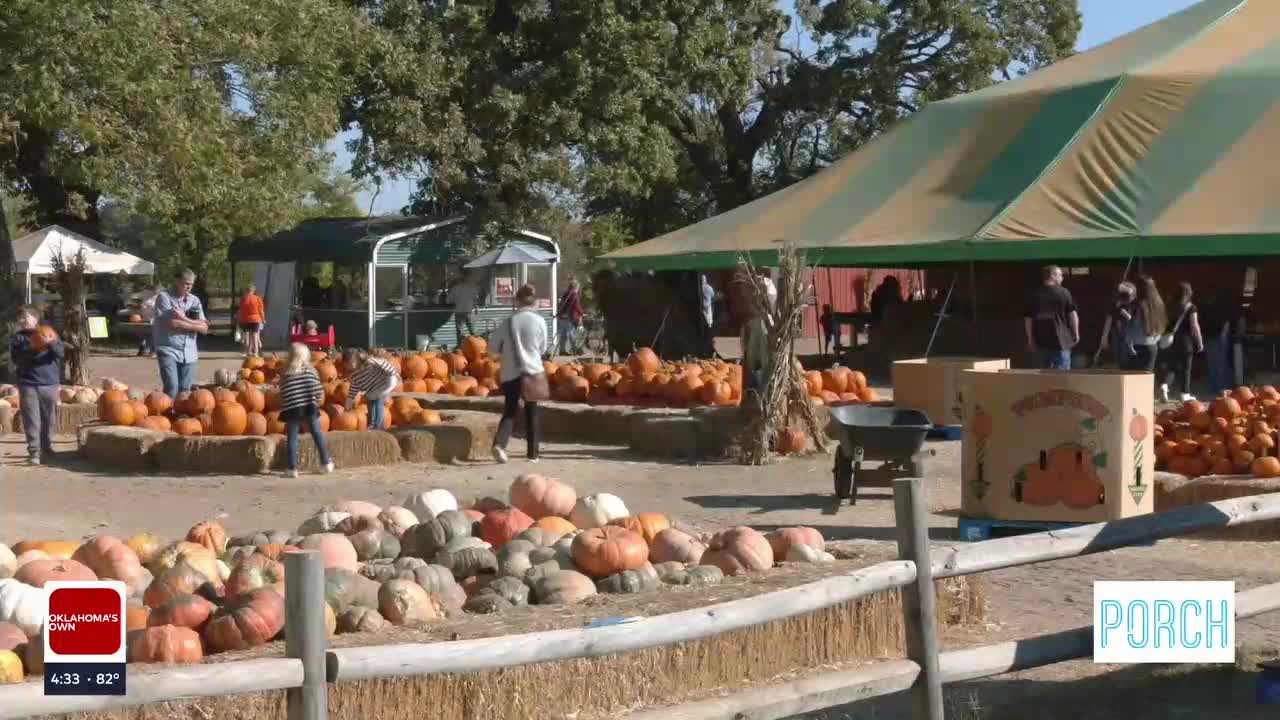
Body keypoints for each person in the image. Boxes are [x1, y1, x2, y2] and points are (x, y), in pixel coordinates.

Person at [490, 284, 549, 464]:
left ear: (517, 301)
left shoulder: (507, 322)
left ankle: (500, 444)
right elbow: (543, 348)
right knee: (532, 412)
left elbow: (492, 349)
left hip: (509, 372)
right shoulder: (540, 321)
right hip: (532, 372)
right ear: (534, 302)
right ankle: (533, 454)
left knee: (510, 410)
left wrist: (504, 354)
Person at [11, 305, 64, 465]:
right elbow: (17, 359)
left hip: (49, 383)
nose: (21, 321)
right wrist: (33, 347)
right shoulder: (18, 338)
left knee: (49, 419)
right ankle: (34, 451)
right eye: (20, 318)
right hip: (28, 384)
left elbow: (60, 354)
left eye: (24, 317)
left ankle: (46, 447)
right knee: (31, 419)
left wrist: (51, 344)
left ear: (35, 318)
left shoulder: (51, 333)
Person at [278, 342, 335, 478]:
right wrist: (319, 398)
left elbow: (283, 393)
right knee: (316, 433)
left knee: (292, 437)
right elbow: (317, 388)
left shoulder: (286, 374)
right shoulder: (310, 372)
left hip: (292, 409)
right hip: (309, 406)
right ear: (306, 357)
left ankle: (292, 468)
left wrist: (286, 404)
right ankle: (325, 462)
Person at [153, 269, 208, 399]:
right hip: (168, 349)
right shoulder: (164, 297)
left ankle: (182, 418)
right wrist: (195, 326)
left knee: (185, 390)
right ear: (177, 282)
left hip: (190, 352)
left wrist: (183, 318)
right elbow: (172, 324)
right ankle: (167, 416)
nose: (189, 287)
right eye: (186, 283)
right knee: (172, 386)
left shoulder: (194, 300)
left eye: (191, 284)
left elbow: (205, 328)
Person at [1023, 265, 1079, 370]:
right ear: (1053, 276)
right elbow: (1072, 315)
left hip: (1041, 342)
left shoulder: (1034, 295)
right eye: (1060, 275)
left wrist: (1030, 339)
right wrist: (1075, 333)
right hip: (1062, 341)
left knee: (1044, 376)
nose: (1062, 277)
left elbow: (1028, 319)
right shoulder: (1064, 292)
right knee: (1063, 377)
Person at [1160, 282, 1203, 402]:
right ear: (1189, 293)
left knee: (1172, 366)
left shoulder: (1169, 305)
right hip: (1185, 341)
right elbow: (1194, 326)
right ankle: (1185, 394)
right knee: (1186, 369)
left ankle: (1165, 385)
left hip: (1170, 340)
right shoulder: (1191, 307)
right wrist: (1199, 342)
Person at [344, 349, 401, 431]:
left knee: (378, 402)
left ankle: (378, 426)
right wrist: (348, 404)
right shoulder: (354, 376)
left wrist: (393, 374)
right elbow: (352, 390)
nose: (351, 365)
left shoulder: (369, 361)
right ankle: (372, 424)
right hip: (373, 389)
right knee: (370, 402)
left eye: (352, 362)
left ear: (357, 359)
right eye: (348, 364)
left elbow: (384, 363)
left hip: (385, 382)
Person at [1201, 289, 1242, 397]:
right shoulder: (1223, 307)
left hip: (1212, 336)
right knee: (1220, 363)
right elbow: (1227, 323)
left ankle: (1216, 387)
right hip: (1218, 336)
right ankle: (1222, 387)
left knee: (1214, 363)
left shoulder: (1208, 308)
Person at [1124, 275, 1167, 373]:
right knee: (1146, 379)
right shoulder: (1159, 303)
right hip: (1153, 345)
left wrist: (1129, 343)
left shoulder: (1138, 305)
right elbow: (1162, 322)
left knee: (1133, 379)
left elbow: (1133, 325)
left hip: (1136, 345)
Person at [1095, 282, 1135, 368]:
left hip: (1128, 333)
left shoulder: (1132, 305)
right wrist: (1104, 338)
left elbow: (1131, 319)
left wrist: (1122, 311)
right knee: (1117, 355)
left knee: (1125, 356)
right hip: (1116, 332)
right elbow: (1108, 320)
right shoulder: (1114, 304)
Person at [555, 278, 585, 356]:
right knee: (571, 334)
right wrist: (582, 313)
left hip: (561, 316)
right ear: (576, 287)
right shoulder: (574, 295)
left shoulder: (566, 293)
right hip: (569, 317)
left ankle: (562, 350)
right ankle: (574, 350)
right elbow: (576, 306)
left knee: (563, 335)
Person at [238, 284, 265, 358]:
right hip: (256, 319)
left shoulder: (243, 299)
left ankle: (246, 352)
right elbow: (261, 310)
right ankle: (255, 353)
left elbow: (240, 311)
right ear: (253, 291)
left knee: (246, 336)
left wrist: (239, 319)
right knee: (255, 336)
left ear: (247, 290)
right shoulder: (258, 298)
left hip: (245, 319)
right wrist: (263, 319)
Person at [448, 274, 478, 341]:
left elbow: (449, 300)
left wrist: (455, 302)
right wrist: (476, 308)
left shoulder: (455, 288)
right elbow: (475, 299)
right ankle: (476, 345)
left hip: (459, 311)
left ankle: (460, 346)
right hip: (469, 311)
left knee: (460, 331)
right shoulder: (471, 288)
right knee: (472, 330)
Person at [137, 284, 161, 356]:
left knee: (154, 335)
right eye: (155, 289)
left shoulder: (160, 296)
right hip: (144, 318)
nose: (156, 291)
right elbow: (138, 299)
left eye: (158, 290)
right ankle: (142, 349)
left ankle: (153, 351)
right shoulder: (145, 293)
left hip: (154, 319)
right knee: (142, 335)